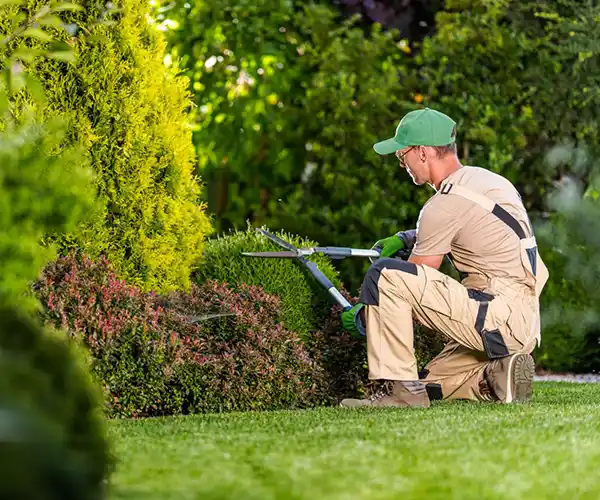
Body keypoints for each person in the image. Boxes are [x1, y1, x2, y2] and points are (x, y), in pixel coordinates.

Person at [339, 107, 549, 408]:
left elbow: (415, 282)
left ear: (423, 152)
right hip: (522, 322)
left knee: (384, 275)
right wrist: (407, 238)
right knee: (427, 381)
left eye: (403, 154)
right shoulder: (485, 181)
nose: (402, 163)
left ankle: (403, 396)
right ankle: (494, 375)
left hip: (496, 317)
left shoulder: (443, 204)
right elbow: (474, 227)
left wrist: (364, 316)